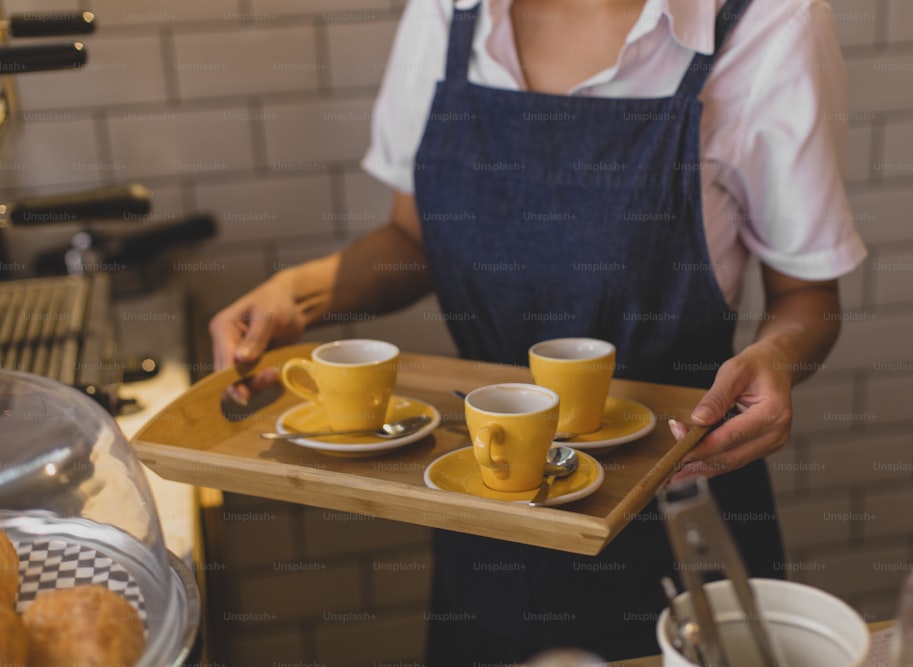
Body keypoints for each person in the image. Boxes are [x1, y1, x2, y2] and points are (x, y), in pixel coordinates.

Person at [210, 0, 866, 662]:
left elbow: (808, 295)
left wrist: (777, 356)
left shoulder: (769, 20)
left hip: (675, 506)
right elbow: (413, 236)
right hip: (486, 487)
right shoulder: (451, 11)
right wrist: (297, 296)